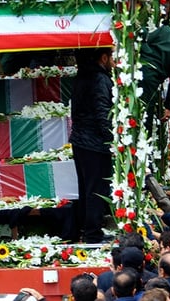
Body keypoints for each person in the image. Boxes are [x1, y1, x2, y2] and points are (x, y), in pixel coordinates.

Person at [69, 47, 115, 243]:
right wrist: (112, 141)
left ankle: (85, 230)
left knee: (86, 188)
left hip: (80, 140)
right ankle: (92, 235)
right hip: (94, 143)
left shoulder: (82, 76)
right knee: (96, 191)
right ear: (103, 57)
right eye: (113, 57)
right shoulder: (100, 80)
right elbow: (102, 113)